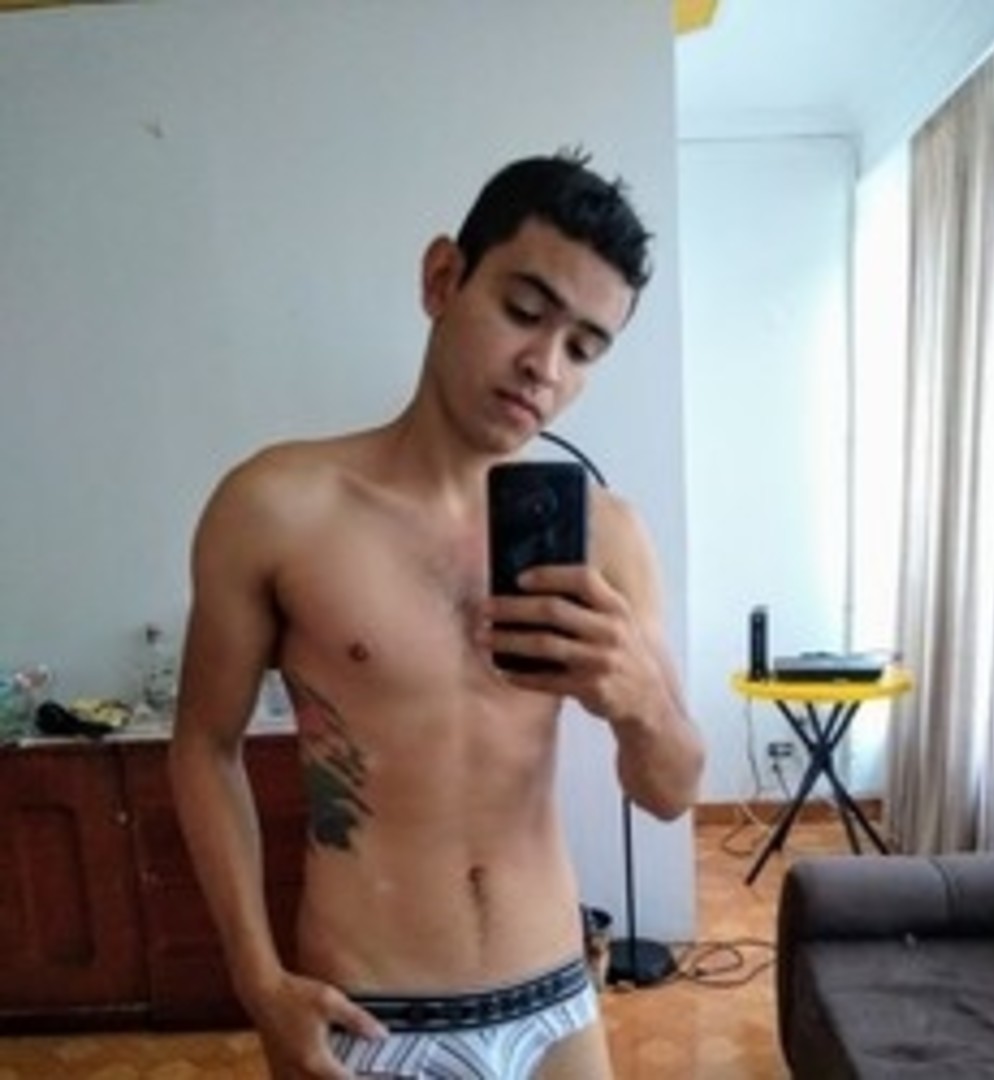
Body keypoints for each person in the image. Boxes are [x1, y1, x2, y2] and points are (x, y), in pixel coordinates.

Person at [169, 150, 705, 1080]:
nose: (544, 367)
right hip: (371, 1012)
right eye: (525, 311)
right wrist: (258, 981)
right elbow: (203, 748)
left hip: (556, 1003)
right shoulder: (277, 508)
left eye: (583, 349)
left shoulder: (608, 535)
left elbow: (671, 791)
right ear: (442, 278)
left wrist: (640, 702)